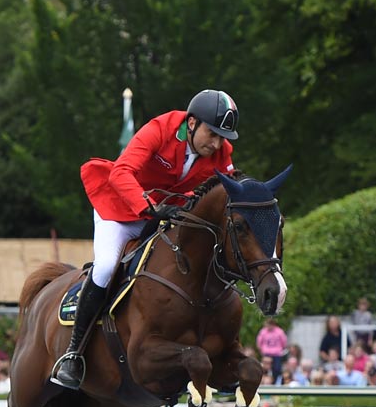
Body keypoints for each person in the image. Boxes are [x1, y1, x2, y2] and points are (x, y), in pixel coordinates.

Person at [55, 89, 240, 388]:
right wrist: (148, 207)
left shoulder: (222, 153)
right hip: (119, 210)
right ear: (192, 123)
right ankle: (73, 354)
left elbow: (229, 190)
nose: (217, 143)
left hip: (164, 215)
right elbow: (121, 173)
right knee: (105, 267)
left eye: (223, 137)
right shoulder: (160, 129)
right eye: (213, 133)